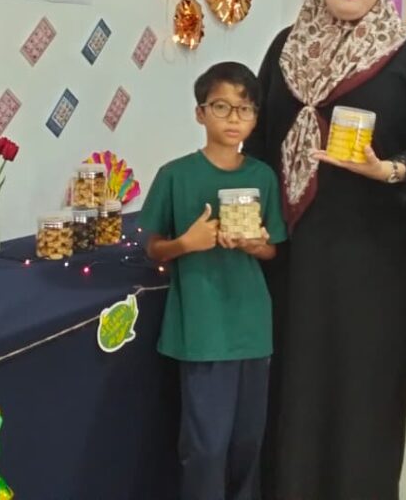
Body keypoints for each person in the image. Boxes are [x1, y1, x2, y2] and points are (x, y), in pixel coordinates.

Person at [244, 0, 406, 499]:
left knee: (362, 384)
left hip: (374, 256)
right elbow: (260, 140)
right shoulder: (287, 46)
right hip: (293, 255)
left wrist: (391, 169)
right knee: (293, 379)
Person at [139, 61, 288, 500]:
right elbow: (153, 248)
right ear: (200, 113)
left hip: (252, 327)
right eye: (221, 107)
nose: (233, 118)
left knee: (247, 443)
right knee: (206, 447)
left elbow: (273, 248)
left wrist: (255, 245)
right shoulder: (176, 175)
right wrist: (187, 243)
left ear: (256, 117)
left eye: (244, 109)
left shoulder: (262, 176)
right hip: (202, 329)